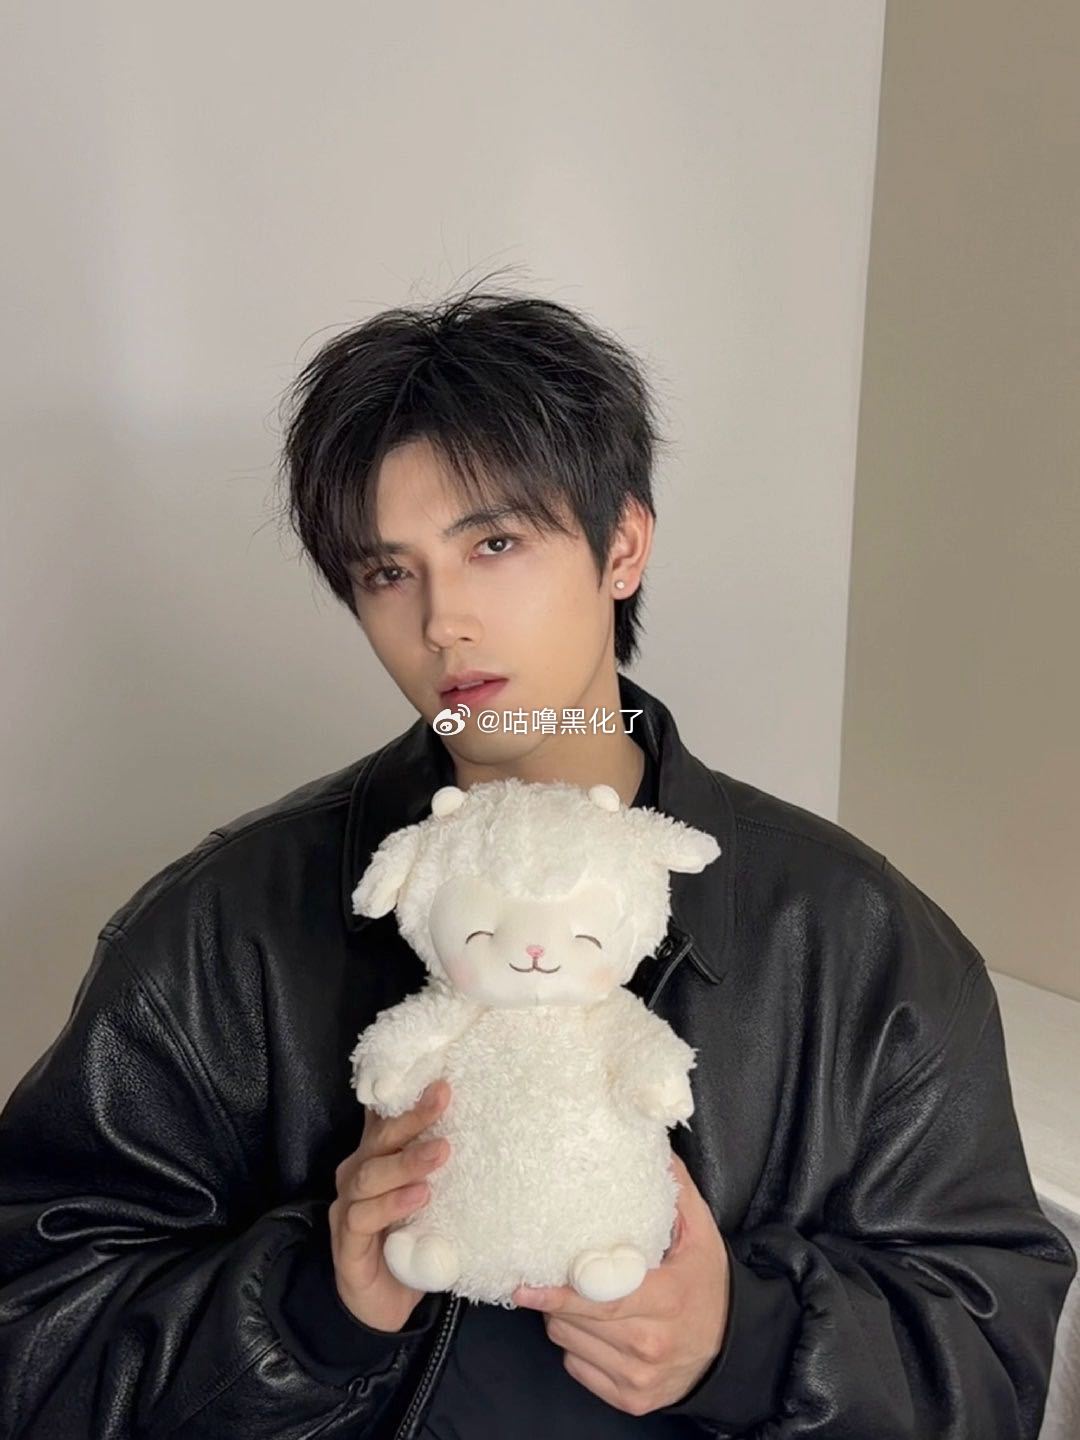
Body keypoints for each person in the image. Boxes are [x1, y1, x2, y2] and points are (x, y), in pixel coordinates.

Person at [0, 282, 1074, 1440]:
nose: (442, 621)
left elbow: (992, 1350)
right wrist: (310, 1307)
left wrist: (750, 1342)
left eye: (495, 544)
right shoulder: (225, 928)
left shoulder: (856, 936)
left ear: (623, 546)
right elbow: (34, 1334)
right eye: (388, 572)